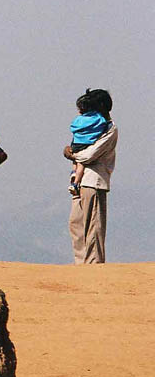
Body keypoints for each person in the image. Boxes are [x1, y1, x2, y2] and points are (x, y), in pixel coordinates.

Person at [63, 89, 117, 264]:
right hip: (80, 182)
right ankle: (81, 265)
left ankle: (93, 267)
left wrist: (71, 154)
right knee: (76, 225)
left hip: (94, 181)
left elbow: (89, 155)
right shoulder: (90, 127)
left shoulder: (110, 128)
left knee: (93, 228)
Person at [67, 91, 111, 197]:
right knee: (80, 162)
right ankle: (75, 181)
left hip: (92, 183)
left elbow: (87, 156)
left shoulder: (81, 121)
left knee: (77, 162)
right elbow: (87, 156)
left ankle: (74, 174)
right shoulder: (101, 124)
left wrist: (71, 155)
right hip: (90, 184)